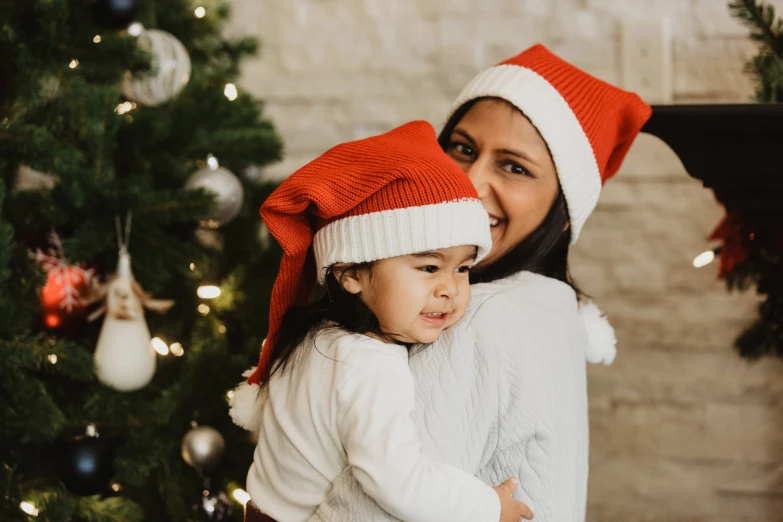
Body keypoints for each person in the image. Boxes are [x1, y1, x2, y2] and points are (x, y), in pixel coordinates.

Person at [306, 44, 652, 522]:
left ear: (564, 213)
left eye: (514, 167)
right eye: (463, 148)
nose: (468, 181)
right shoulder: (548, 306)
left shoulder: (471, 318)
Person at [230, 121, 534, 522]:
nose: (450, 289)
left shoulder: (314, 335)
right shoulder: (368, 365)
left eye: (463, 269)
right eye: (428, 266)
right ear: (351, 273)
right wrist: (489, 505)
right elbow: (399, 482)